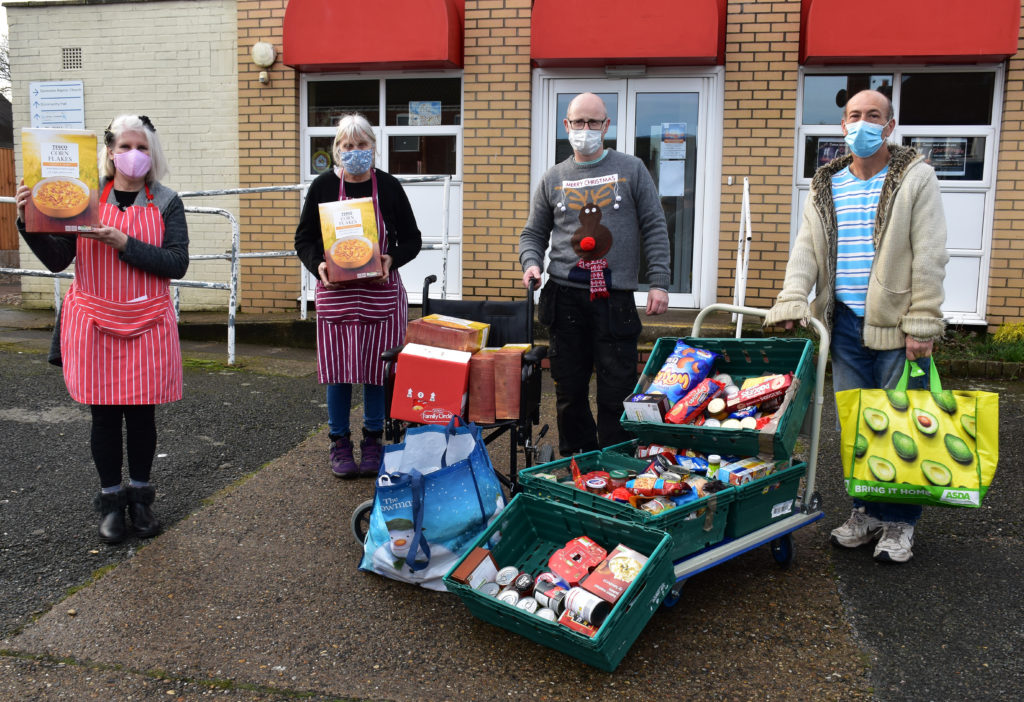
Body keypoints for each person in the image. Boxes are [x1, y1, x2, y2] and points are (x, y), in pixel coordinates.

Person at [765, 89, 949, 563]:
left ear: (889, 127)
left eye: (873, 116)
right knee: (859, 428)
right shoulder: (826, 184)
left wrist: (924, 322)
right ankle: (866, 510)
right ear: (842, 125)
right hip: (843, 323)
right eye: (853, 116)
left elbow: (929, 252)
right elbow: (807, 247)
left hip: (897, 323)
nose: (862, 123)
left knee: (901, 426)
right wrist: (791, 298)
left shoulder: (915, 177)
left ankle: (900, 523)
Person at [17, 114, 190, 544]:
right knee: (106, 417)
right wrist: (28, 222)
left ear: (153, 154)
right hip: (94, 318)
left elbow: (177, 262)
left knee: (142, 414)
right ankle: (111, 501)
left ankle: (142, 498)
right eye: (125, 147)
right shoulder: (85, 197)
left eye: (143, 147)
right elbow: (59, 260)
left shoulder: (167, 201)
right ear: (109, 153)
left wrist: (125, 244)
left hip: (148, 320)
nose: (134, 155)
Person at [519, 92, 671, 457]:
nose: (585, 129)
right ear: (566, 125)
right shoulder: (553, 178)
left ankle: (617, 466)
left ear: (606, 126)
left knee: (616, 392)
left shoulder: (632, 169)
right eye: (578, 122)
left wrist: (659, 282)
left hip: (613, 300)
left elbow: (654, 226)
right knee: (569, 394)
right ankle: (580, 466)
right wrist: (531, 263)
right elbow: (533, 233)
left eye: (593, 122)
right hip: (564, 298)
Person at [295, 113, 422, 478]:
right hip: (336, 296)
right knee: (338, 371)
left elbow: (412, 238)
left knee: (377, 371)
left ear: (373, 147)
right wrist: (318, 264)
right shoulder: (321, 187)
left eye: (362, 145)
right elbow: (303, 239)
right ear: (336, 150)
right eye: (347, 146)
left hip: (380, 294)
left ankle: (372, 439)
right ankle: (338, 443)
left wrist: (390, 258)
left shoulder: (389, 187)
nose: (355, 152)